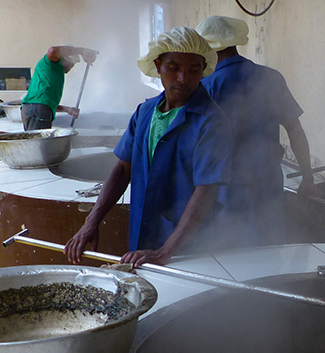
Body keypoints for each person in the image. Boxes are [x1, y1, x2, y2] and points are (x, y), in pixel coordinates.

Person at [64, 27, 232, 267]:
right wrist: (91, 221)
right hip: (144, 238)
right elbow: (123, 170)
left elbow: (205, 191)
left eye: (194, 70)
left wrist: (165, 251)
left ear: (203, 71)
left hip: (189, 248)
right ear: (158, 65)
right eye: (174, 68)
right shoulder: (145, 113)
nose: (183, 78)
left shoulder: (212, 121)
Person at [196, 15, 316, 246]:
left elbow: (196, 146)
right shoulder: (271, 77)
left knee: (231, 253)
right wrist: (307, 177)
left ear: (209, 49)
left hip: (226, 189)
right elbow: (295, 130)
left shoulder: (207, 86)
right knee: (269, 250)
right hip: (269, 181)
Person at [21, 45, 97, 130]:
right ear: (64, 59)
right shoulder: (50, 64)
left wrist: (67, 109)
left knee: (37, 141)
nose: (70, 68)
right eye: (71, 64)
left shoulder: (54, 72)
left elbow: (45, 102)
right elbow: (52, 50)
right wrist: (82, 50)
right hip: (37, 110)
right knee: (39, 142)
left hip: (36, 109)